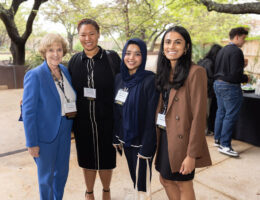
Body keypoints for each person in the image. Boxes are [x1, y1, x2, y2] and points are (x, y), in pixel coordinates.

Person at [154, 26, 212, 200]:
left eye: (178, 42)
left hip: (183, 140)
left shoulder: (196, 72)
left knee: (183, 183)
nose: (172, 46)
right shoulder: (165, 71)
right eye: (168, 42)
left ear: (186, 47)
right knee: (165, 179)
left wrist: (191, 155)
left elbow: (199, 116)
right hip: (164, 135)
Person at [68, 19, 121, 200]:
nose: (87, 38)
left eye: (91, 34)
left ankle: (106, 190)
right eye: (83, 35)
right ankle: (89, 192)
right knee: (87, 160)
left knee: (106, 160)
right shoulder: (74, 61)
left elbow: (125, 83)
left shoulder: (111, 58)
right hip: (82, 122)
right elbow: (60, 86)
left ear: (98, 34)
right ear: (79, 37)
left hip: (107, 121)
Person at [22, 33, 76, 200]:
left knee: (62, 174)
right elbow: (28, 112)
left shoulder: (65, 71)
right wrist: (32, 143)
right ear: (44, 52)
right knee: (46, 178)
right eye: (51, 50)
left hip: (65, 132)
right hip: (45, 135)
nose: (55, 54)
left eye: (59, 49)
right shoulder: (35, 75)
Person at [113, 38, 158, 199]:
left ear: (143, 57)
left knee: (142, 182)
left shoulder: (150, 80)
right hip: (126, 139)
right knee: (134, 175)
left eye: (137, 54)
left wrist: (146, 147)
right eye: (128, 53)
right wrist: (116, 136)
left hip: (142, 141)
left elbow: (151, 117)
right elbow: (117, 110)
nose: (131, 58)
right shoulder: (119, 78)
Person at [213, 27, 249, 157]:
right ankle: (225, 145)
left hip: (217, 84)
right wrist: (246, 78)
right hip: (230, 86)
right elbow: (235, 75)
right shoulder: (237, 51)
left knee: (221, 112)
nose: (244, 41)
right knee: (230, 115)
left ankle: (217, 139)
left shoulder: (222, 50)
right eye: (244, 38)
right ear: (237, 37)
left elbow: (222, 70)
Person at [197, 44, 222, 135]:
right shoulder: (210, 63)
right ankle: (204, 131)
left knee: (202, 111)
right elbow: (210, 78)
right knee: (205, 112)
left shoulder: (203, 61)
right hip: (207, 91)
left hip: (199, 90)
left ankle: (204, 130)